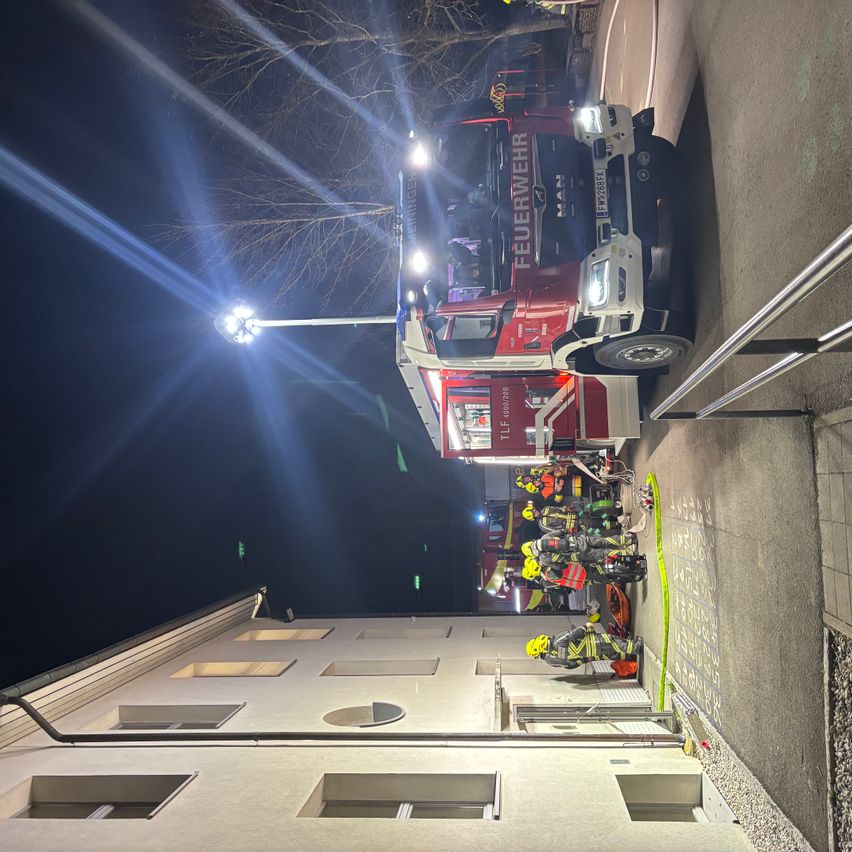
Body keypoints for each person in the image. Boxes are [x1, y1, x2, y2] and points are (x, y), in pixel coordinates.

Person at [526, 625, 643, 670]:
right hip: (592, 642)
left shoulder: (551, 661)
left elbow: (569, 665)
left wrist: (586, 659)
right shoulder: (558, 641)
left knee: (612, 650)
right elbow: (575, 633)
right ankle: (636, 647)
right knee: (614, 642)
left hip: (589, 654)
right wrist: (586, 626)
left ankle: (629, 651)